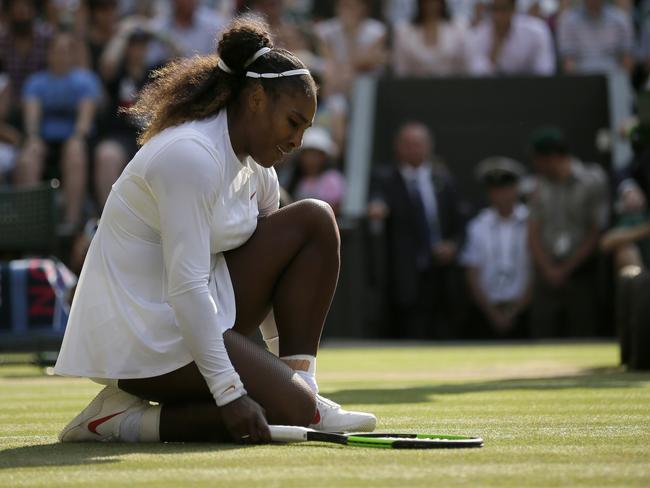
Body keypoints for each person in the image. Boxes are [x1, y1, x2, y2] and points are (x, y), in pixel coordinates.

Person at [53, 16, 376, 445]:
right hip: (139, 340)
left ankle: (306, 395)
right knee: (269, 408)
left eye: (305, 130)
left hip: (196, 316)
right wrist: (230, 391)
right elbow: (185, 288)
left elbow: (275, 269)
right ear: (257, 98)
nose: (297, 140)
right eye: (293, 122)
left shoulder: (259, 168)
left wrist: (289, 387)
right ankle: (111, 421)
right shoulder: (190, 156)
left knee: (314, 219)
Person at [368, 122, 465, 339]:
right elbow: (377, 199)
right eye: (408, 144)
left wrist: (452, 245)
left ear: (429, 146)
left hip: (441, 274)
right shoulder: (386, 178)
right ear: (397, 147)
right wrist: (377, 206)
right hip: (405, 277)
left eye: (418, 144)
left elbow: (459, 224)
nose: (413, 149)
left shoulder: (443, 179)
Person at [527, 127, 609, 338]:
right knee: (542, 331)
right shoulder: (537, 185)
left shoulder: (592, 180)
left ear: (553, 157)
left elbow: (596, 231)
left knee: (584, 330)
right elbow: (533, 232)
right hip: (546, 273)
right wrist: (548, 269)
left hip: (581, 271)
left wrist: (567, 269)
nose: (536, 166)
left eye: (540, 160)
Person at [15, 31, 101, 229]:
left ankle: (70, 224)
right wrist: (34, 136)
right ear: (49, 54)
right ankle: (31, 225)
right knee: (28, 156)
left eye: (65, 51)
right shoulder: (35, 82)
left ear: (72, 55)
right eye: (56, 51)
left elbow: (85, 117)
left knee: (74, 152)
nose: (60, 56)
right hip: (44, 139)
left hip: (74, 139)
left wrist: (77, 136)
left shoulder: (85, 80)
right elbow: (31, 117)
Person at [460, 157, 532, 339]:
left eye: (506, 189)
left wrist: (516, 310)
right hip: (487, 311)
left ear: (516, 189)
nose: (502, 195)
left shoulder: (531, 222)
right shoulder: (477, 226)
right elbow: (472, 274)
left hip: (525, 310)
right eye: (496, 190)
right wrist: (493, 313)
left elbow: (536, 270)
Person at [465, 0, 556, 76]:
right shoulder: (479, 34)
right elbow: (477, 77)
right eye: (494, 9)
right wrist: (495, 48)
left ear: (514, 9)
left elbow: (545, 70)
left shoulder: (536, 31)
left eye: (504, 9)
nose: (498, 16)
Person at [392, 0, 467, 77]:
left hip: (452, 86)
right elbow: (401, 70)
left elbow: (464, 66)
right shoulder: (405, 32)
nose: (431, 5)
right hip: (415, 86)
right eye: (427, 1)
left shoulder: (457, 28)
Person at [286, 126, 345, 214]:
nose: (310, 160)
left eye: (315, 155)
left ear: (324, 157)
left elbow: (335, 208)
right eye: (307, 155)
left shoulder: (332, 179)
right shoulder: (295, 180)